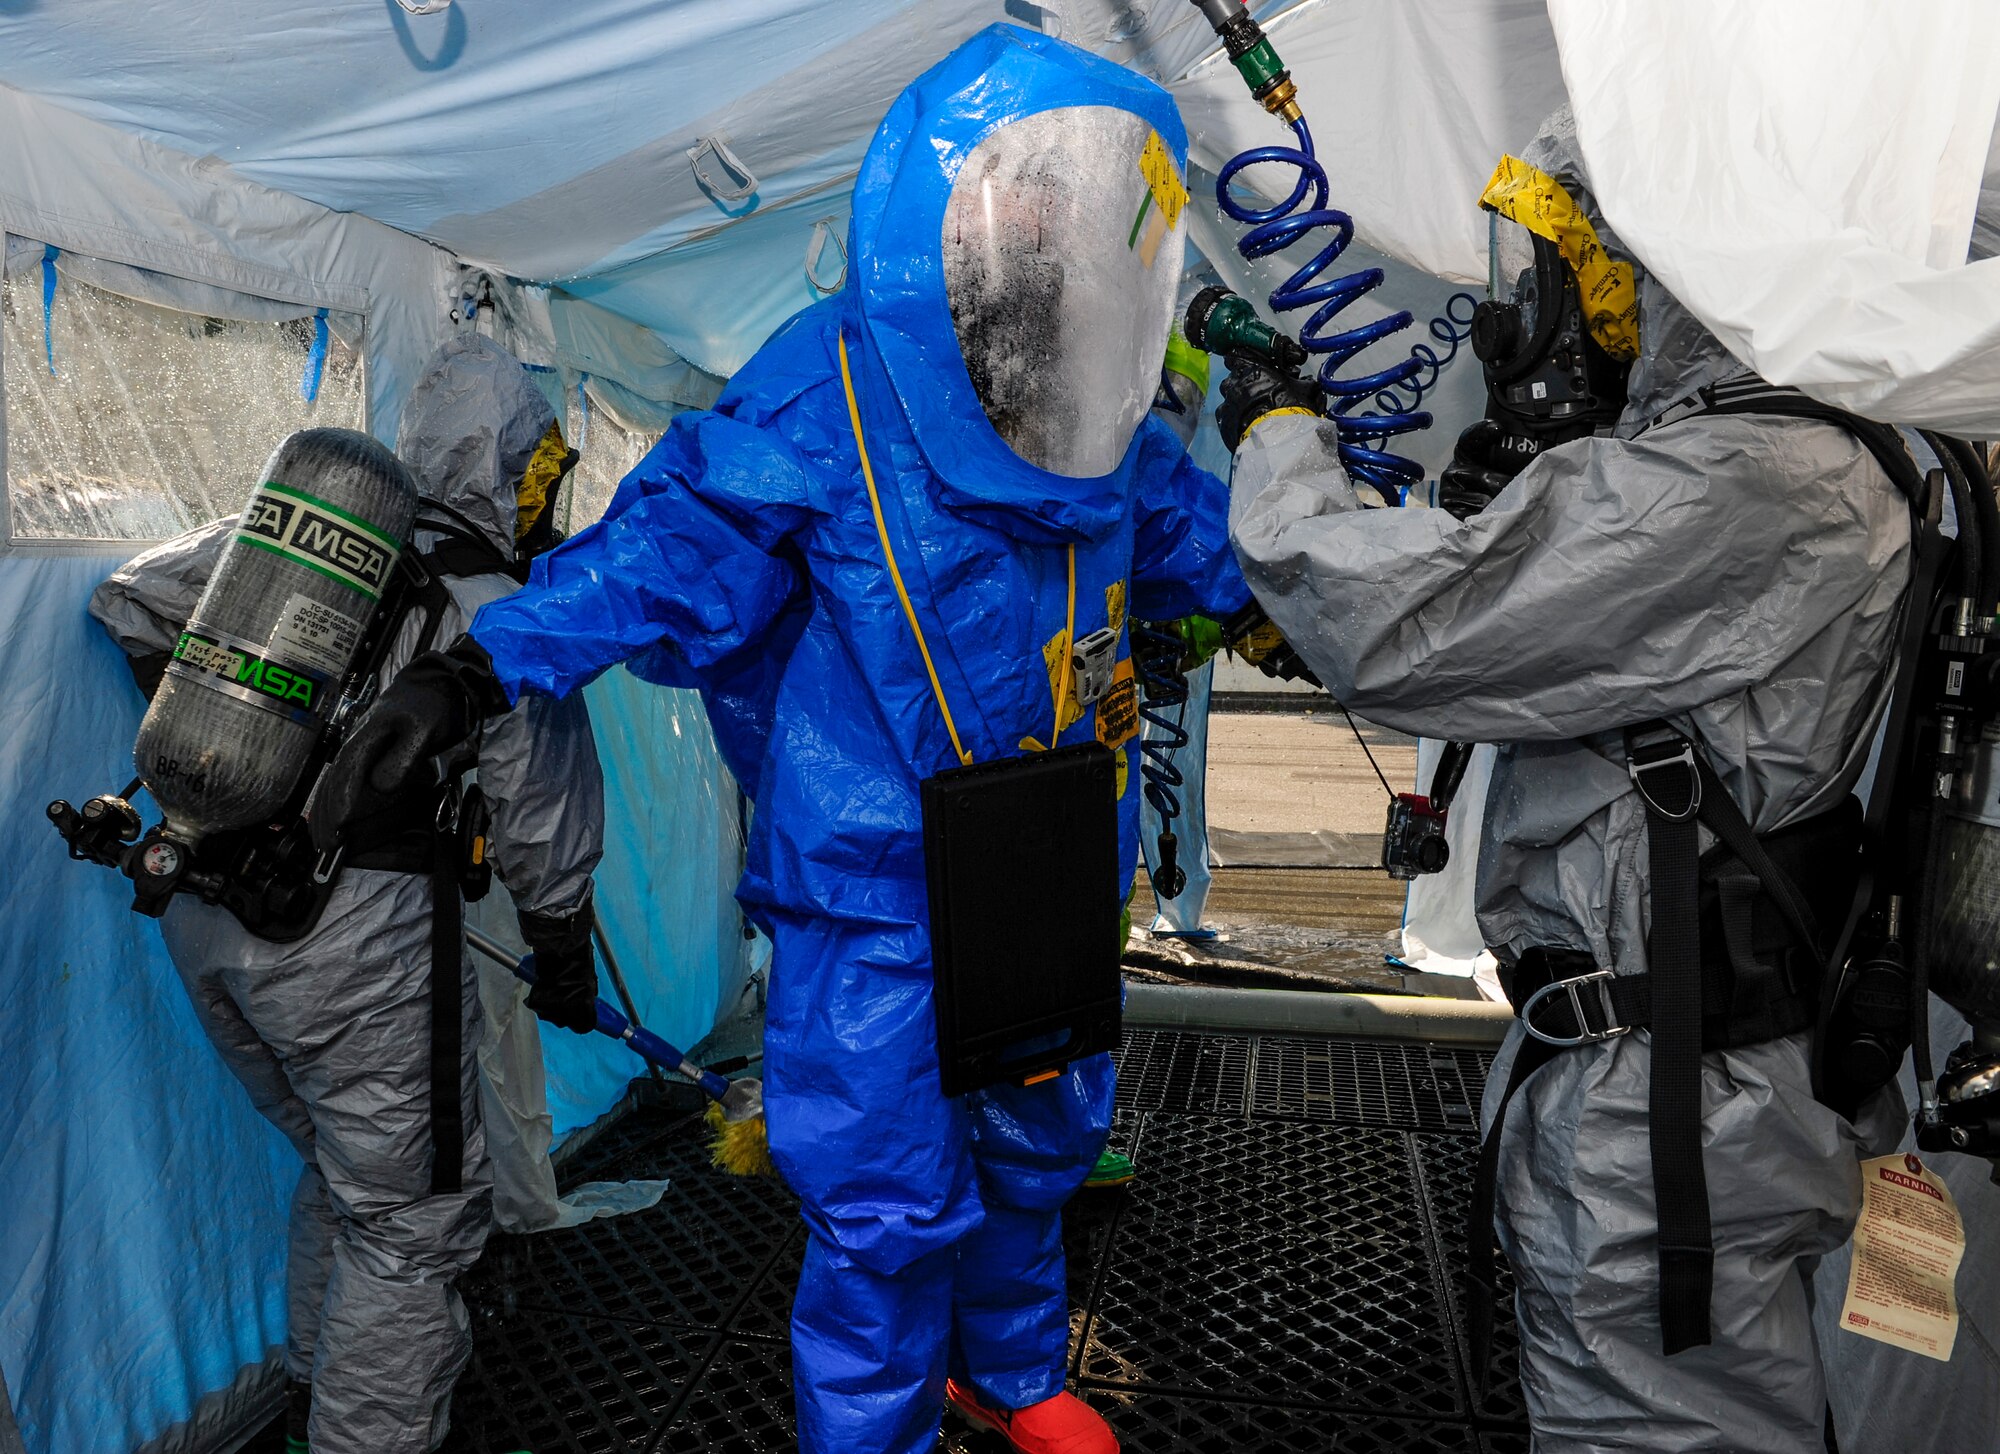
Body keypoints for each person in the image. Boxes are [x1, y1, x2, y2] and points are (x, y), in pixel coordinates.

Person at [308, 26, 1256, 1454]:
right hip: (875, 892)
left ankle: (1007, 1366)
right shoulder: (829, 392)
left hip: (1052, 862)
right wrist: (476, 669)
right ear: (963, 218)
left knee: (1038, 1141)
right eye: (1031, 204)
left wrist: (1295, 587)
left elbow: (1200, 538)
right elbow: (666, 554)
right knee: (884, 1195)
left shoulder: (1105, 416)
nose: (1055, 240)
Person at [1219, 106, 1912, 1453]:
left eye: (1575, 266)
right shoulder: (1781, 446)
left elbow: (1395, 626)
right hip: (1692, 1071)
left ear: (1680, 257)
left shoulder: (1758, 473)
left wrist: (1277, 432)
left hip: (1668, 1108)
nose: (1534, 311)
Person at [89, 334, 606, 1454]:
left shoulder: (288, 551)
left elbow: (125, 598)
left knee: (350, 1177)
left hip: (202, 904)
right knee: (415, 1222)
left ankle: (329, 1400)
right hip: (351, 942)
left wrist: (253, 774)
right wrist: (563, 943)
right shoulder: (495, 612)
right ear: (519, 465)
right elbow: (545, 812)